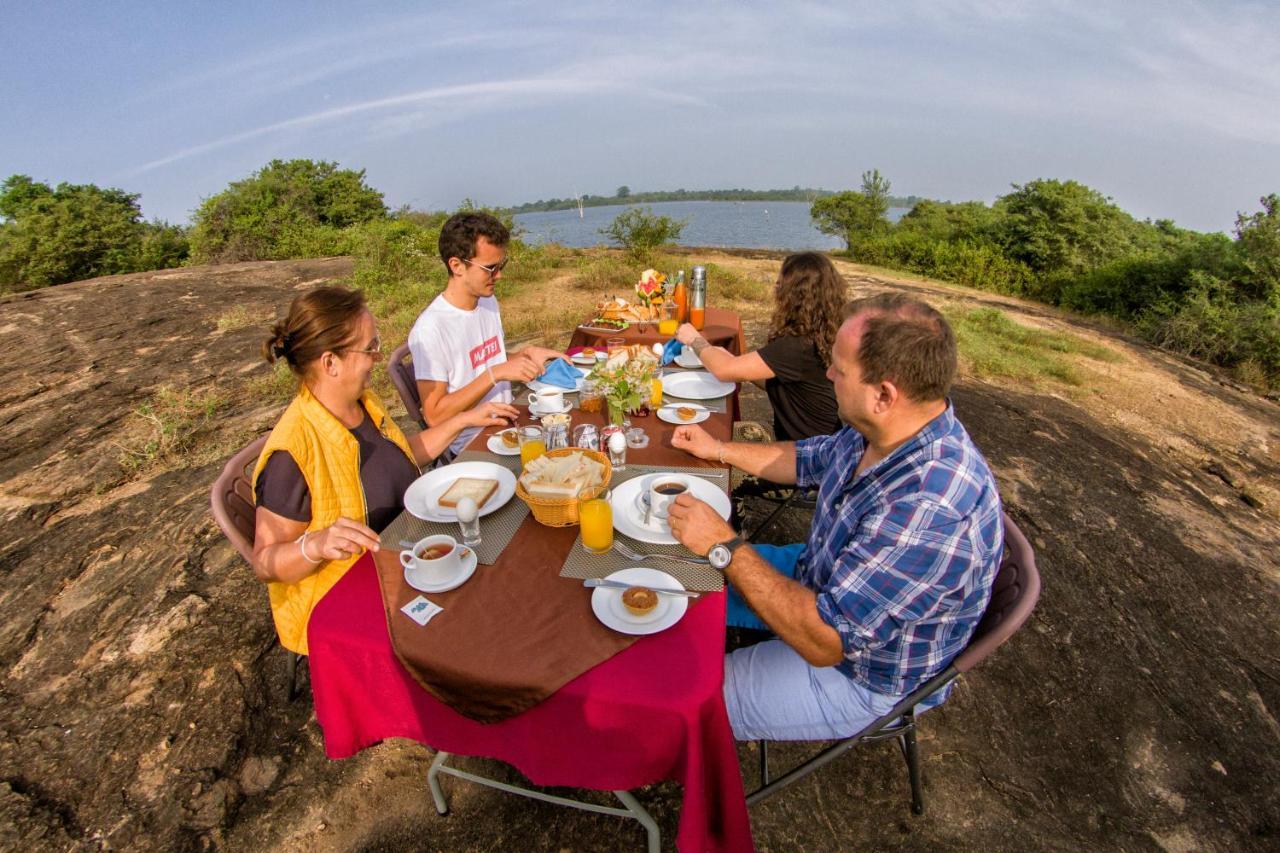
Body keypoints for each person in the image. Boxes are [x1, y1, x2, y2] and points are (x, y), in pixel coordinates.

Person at [666, 293, 1004, 741]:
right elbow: (812, 458)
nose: (826, 374)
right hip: (821, 578)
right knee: (668, 574)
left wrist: (723, 546)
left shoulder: (930, 508)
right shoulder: (890, 428)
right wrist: (718, 449)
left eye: (839, 370)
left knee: (682, 700)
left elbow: (826, 639)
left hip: (861, 672)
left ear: (885, 394)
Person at [252, 286, 517, 655]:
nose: (377, 357)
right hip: (347, 599)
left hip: (406, 554)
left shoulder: (360, 402)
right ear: (331, 363)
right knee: (486, 627)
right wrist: (315, 543)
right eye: (369, 347)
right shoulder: (292, 453)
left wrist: (464, 420)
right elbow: (265, 562)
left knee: (509, 563)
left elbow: (398, 458)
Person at [408, 211, 567, 457]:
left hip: (508, 423)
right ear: (457, 266)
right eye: (490, 268)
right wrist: (495, 374)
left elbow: (486, 360)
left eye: (501, 265)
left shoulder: (487, 302)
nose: (499, 276)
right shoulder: (431, 329)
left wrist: (524, 355)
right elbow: (434, 415)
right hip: (473, 443)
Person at [675, 251, 843, 441]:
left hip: (806, 454)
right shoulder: (820, 332)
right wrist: (740, 365)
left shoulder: (798, 346)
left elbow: (722, 370)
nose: (775, 289)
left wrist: (694, 339)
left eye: (780, 284)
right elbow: (777, 382)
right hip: (818, 442)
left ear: (796, 295)